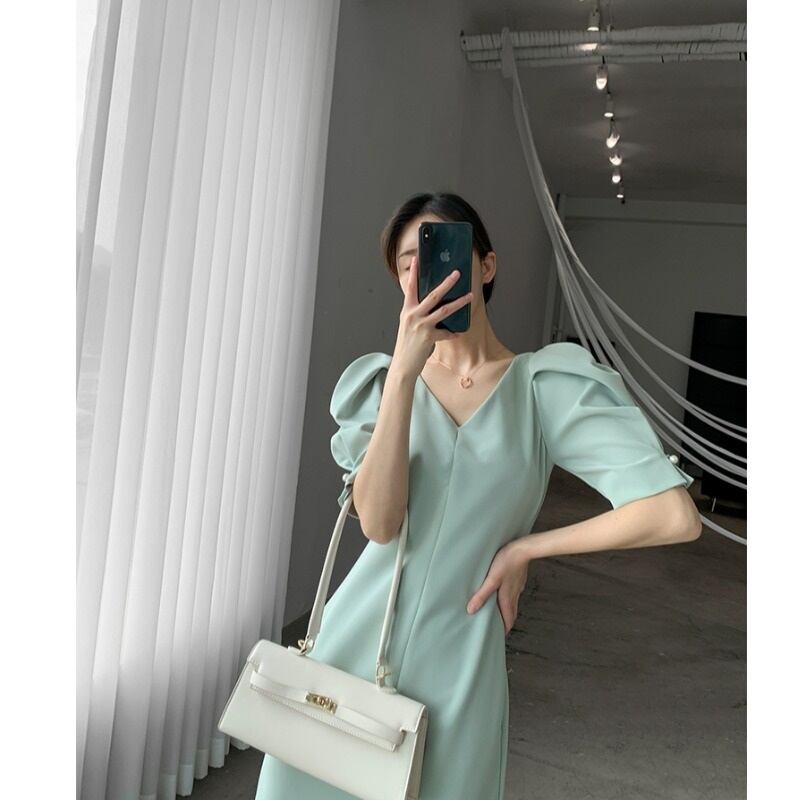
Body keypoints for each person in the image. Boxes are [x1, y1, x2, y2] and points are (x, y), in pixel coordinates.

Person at [255, 191, 702, 799]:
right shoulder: (383, 385)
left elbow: (672, 514)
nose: (423, 271)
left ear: (485, 264)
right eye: (407, 263)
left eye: (440, 251)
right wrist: (404, 375)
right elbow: (380, 524)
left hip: (462, 662)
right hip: (353, 645)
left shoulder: (543, 387)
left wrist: (526, 549)